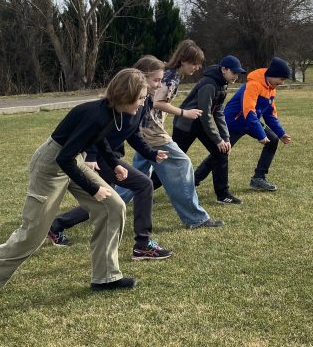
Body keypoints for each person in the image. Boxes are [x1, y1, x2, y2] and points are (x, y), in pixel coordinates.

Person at [0, 69, 148, 300]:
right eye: (141, 97)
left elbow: (97, 138)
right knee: (35, 232)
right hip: (50, 166)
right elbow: (63, 158)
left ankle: (106, 278)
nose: (143, 103)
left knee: (114, 207)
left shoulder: (110, 112)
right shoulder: (96, 114)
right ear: (127, 94)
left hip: (73, 160)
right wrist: (94, 189)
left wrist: (114, 163)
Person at [47, 62, 172, 261]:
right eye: (155, 80)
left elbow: (133, 134)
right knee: (141, 185)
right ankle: (142, 244)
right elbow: (94, 133)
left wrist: (150, 153)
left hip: (111, 157)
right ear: (139, 81)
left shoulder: (142, 104)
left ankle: (57, 224)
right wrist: (92, 156)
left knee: (106, 199)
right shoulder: (111, 107)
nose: (158, 85)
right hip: (102, 157)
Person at [124, 43, 225, 229]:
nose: (197, 67)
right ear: (183, 61)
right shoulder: (170, 77)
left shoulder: (169, 75)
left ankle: (105, 205)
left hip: (144, 131)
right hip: (152, 133)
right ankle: (196, 219)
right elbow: (159, 103)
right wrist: (184, 113)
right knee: (183, 164)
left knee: (136, 175)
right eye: (194, 63)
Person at [172, 55, 245, 204]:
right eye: (234, 72)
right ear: (224, 69)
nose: (236, 76)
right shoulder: (210, 84)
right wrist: (218, 139)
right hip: (186, 125)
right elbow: (206, 115)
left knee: (221, 152)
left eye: (238, 74)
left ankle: (223, 194)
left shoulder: (222, 84)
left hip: (200, 123)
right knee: (172, 161)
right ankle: (143, 187)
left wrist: (225, 139)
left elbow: (218, 112)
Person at [223, 57, 293, 191]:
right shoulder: (254, 84)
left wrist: (281, 133)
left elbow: (270, 114)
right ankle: (196, 179)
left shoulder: (271, 88)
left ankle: (258, 178)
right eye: (281, 79)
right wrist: (261, 135)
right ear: (272, 75)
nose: (282, 82)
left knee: (273, 139)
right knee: (221, 152)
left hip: (251, 121)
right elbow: (248, 111)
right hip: (235, 122)